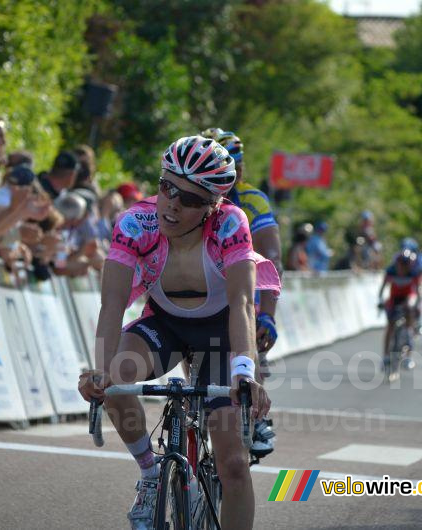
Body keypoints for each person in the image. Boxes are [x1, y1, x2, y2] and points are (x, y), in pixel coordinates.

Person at [78, 136, 280, 530]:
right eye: (166, 187)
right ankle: (151, 474)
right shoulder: (137, 222)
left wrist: (244, 374)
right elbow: (113, 304)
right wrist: (99, 369)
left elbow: (241, 304)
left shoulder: (231, 224)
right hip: (164, 323)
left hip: (218, 332)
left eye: (188, 199)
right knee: (116, 379)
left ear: (212, 206)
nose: (171, 202)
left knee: (235, 464)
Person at [205, 128, 281, 456]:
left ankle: (256, 415)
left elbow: (272, 257)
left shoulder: (252, 200)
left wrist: (268, 314)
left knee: (251, 346)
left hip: (243, 287)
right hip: (204, 288)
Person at [377, 249, 421, 369]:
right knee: (390, 326)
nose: (402, 267)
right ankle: (386, 356)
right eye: (401, 263)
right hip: (394, 298)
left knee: (409, 310)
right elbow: (382, 288)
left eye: (405, 264)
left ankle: (408, 355)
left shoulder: (414, 273)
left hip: (408, 297)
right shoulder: (391, 271)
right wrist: (380, 301)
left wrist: (417, 305)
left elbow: (417, 292)